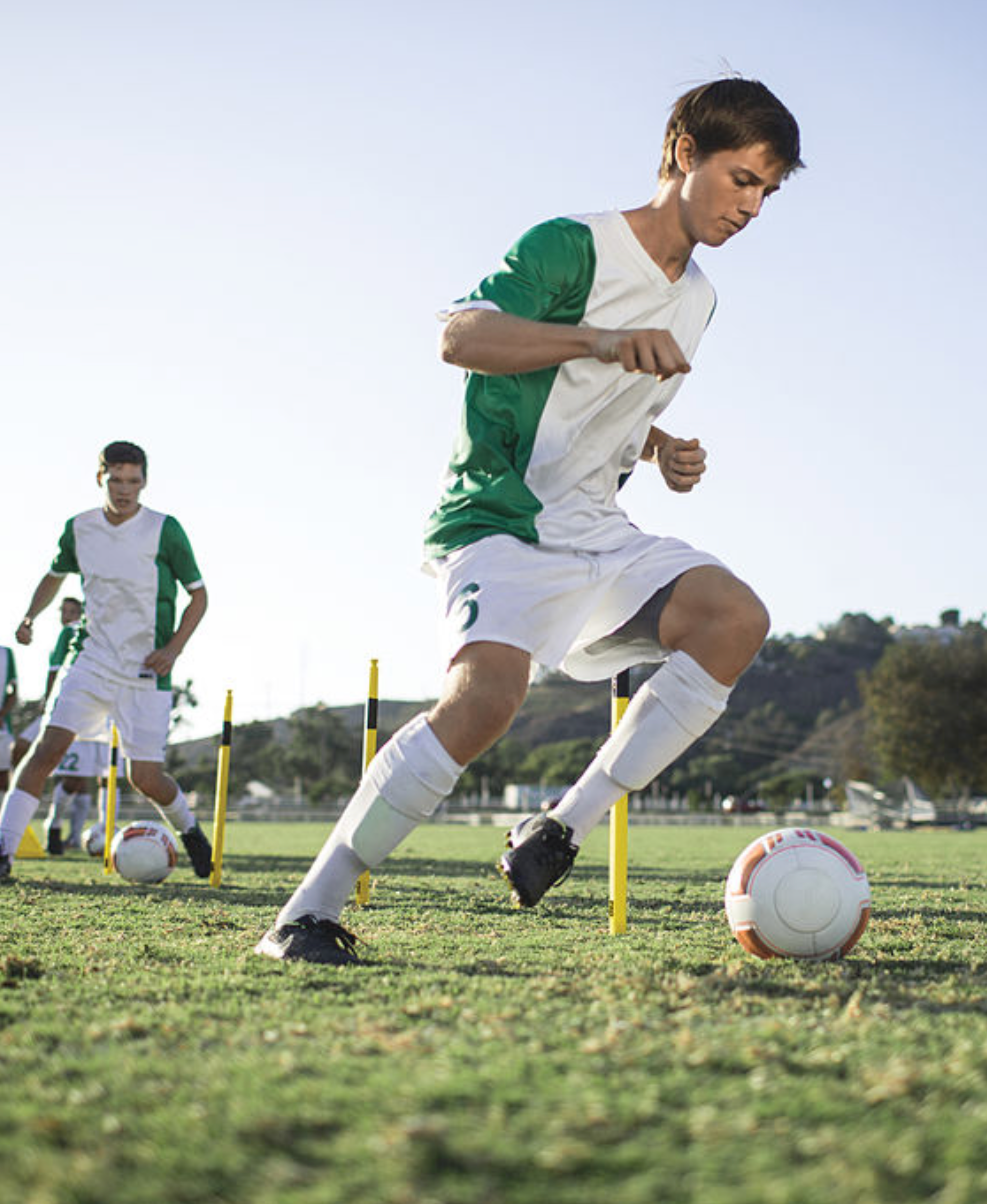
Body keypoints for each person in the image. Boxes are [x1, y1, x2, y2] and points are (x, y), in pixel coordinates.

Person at [256, 77, 803, 964]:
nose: (753, 206)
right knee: (485, 701)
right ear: (682, 153)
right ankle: (304, 915)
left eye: (768, 192)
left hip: (598, 527)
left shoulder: (699, 299)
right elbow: (463, 338)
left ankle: (561, 827)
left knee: (734, 617)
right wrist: (595, 337)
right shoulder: (571, 246)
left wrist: (656, 446)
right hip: (500, 513)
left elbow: (599, 403)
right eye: (742, 178)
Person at [0, 441, 213, 879]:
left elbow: (199, 595)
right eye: (116, 479)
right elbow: (54, 575)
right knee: (46, 751)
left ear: (144, 482)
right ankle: (3, 851)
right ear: (101, 479)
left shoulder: (164, 530)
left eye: (133, 481)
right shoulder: (79, 528)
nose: (124, 490)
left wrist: (173, 649)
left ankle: (191, 833)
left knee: (146, 778)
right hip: (91, 660)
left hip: (145, 671)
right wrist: (30, 617)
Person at [9, 596, 106, 854]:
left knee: (79, 779)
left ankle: (71, 835)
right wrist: (50, 703)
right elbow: (55, 670)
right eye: (65, 611)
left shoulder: (92, 632)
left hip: (89, 708)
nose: (68, 615)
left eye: (74, 611)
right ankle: (42, 823)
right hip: (61, 707)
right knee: (25, 750)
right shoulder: (67, 635)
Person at [0, 644, 16, 795]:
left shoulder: (6, 653)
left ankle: (3, 818)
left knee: (3, 776)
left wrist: (2, 714)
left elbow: (13, 691)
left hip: (2, 728)